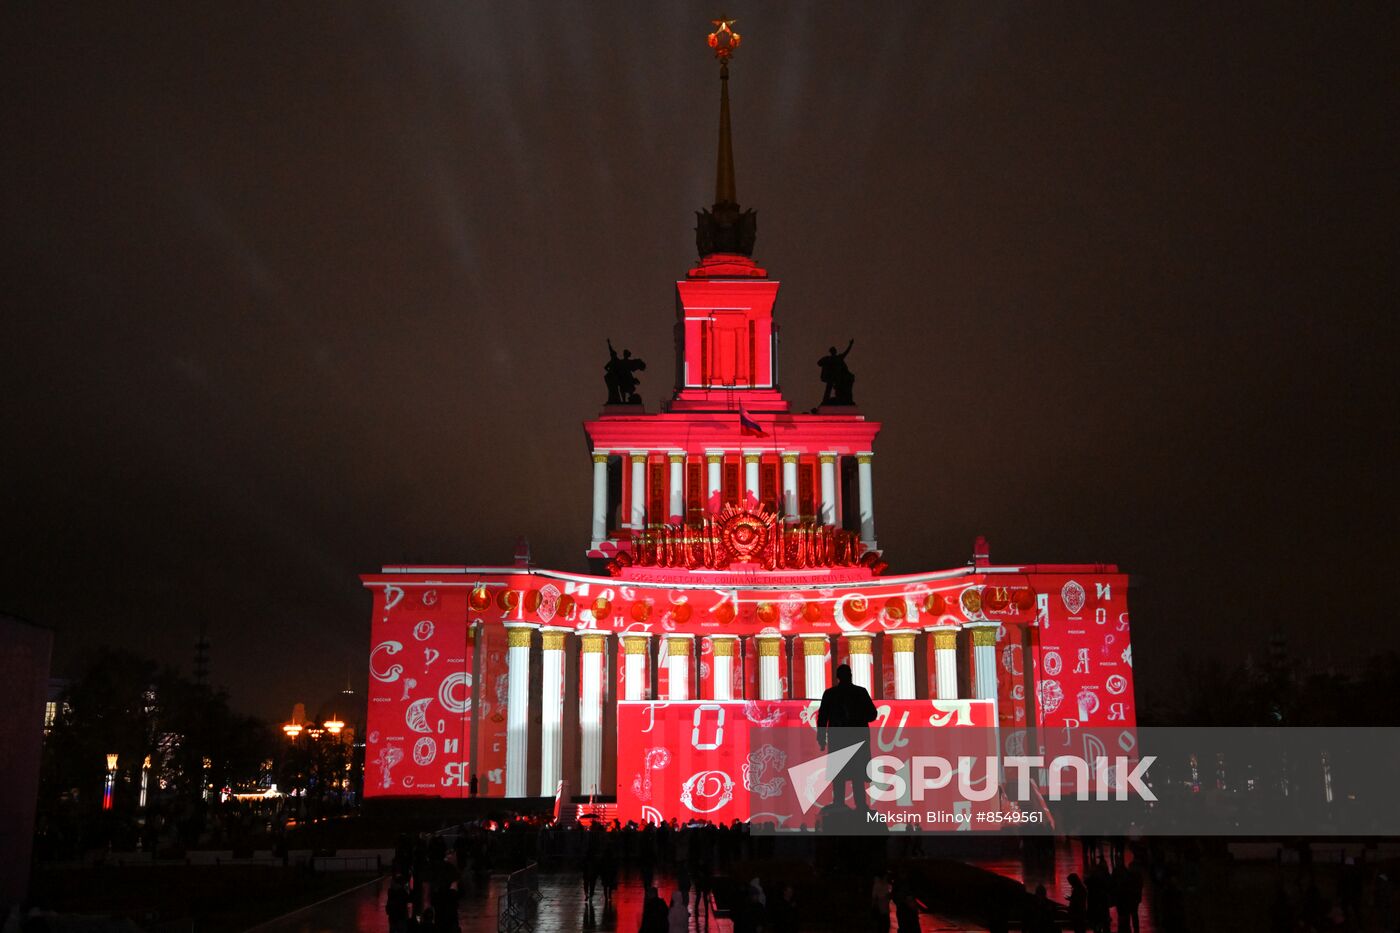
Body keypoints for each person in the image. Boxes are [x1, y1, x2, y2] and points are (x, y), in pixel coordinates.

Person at [816, 664, 879, 811]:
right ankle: (860, 805)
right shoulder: (860, 692)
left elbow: (822, 719)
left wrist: (821, 739)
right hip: (857, 738)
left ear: (838, 677)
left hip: (839, 738)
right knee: (857, 775)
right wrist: (858, 716)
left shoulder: (830, 694)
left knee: (840, 774)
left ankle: (839, 803)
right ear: (850, 675)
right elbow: (872, 715)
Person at [818, 339, 856, 405]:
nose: (834, 352)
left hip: (837, 377)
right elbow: (819, 363)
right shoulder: (830, 358)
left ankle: (835, 400)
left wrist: (850, 345)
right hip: (832, 377)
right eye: (833, 351)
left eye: (834, 350)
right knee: (829, 389)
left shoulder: (837, 358)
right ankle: (826, 400)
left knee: (837, 389)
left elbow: (846, 352)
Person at [385, 868, 412, 933]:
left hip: (393, 917)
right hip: (401, 916)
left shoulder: (391, 892)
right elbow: (409, 899)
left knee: (393, 929)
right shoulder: (402, 892)